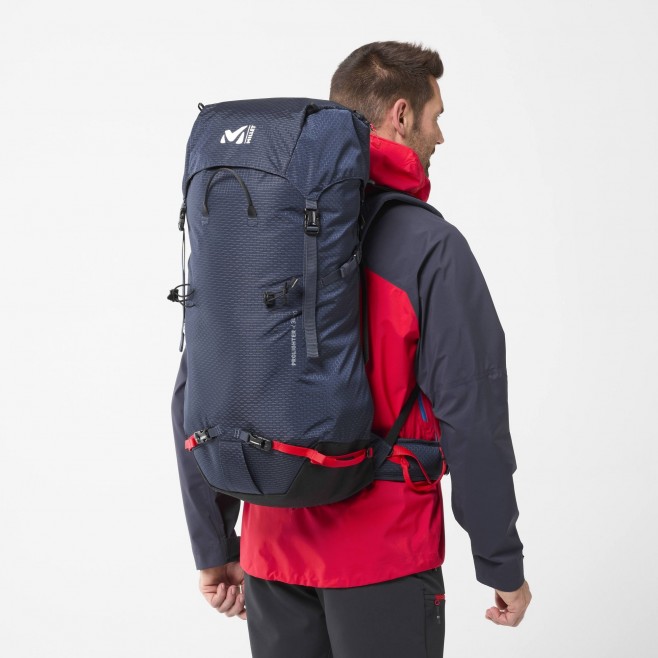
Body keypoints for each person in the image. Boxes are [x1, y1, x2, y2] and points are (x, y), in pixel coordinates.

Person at [171, 40, 531, 657]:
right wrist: (501, 561)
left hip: (271, 550)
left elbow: (201, 384)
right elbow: (472, 413)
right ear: (400, 114)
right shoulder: (429, 246)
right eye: (436, 116)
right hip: (384, 554)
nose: (440, 136)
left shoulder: (267, 228)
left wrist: (214, 545)